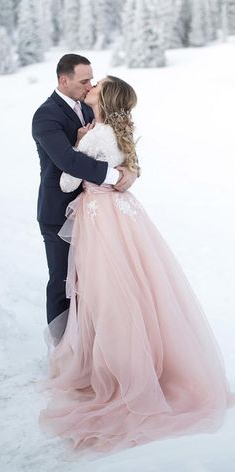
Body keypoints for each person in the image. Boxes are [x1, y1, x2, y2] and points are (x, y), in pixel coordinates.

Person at [40, 76, 234, 455]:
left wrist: (78, 144)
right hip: (124, 216)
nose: (91, 85)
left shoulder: (94, 135)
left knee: (105, 292)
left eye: (99, 84)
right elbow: (123, 168)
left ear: (105, 96)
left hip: (100, 219)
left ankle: (117, 368)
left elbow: (66, 183)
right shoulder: (113, 130)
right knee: (134, 286)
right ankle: (144, 359)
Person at [32, 54, 137, 327]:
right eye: (84, 81)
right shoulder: (46, 116)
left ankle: (87, 343)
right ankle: (60, 347)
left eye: (92, 79)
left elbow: (118, 140)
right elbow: (68, 161)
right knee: (63, 282)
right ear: (63, 80)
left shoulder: (91, 107)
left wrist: (133, 170)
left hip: (95, 215)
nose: (90, 86)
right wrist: (114, 175)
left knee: (95, 281)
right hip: (58, 212)